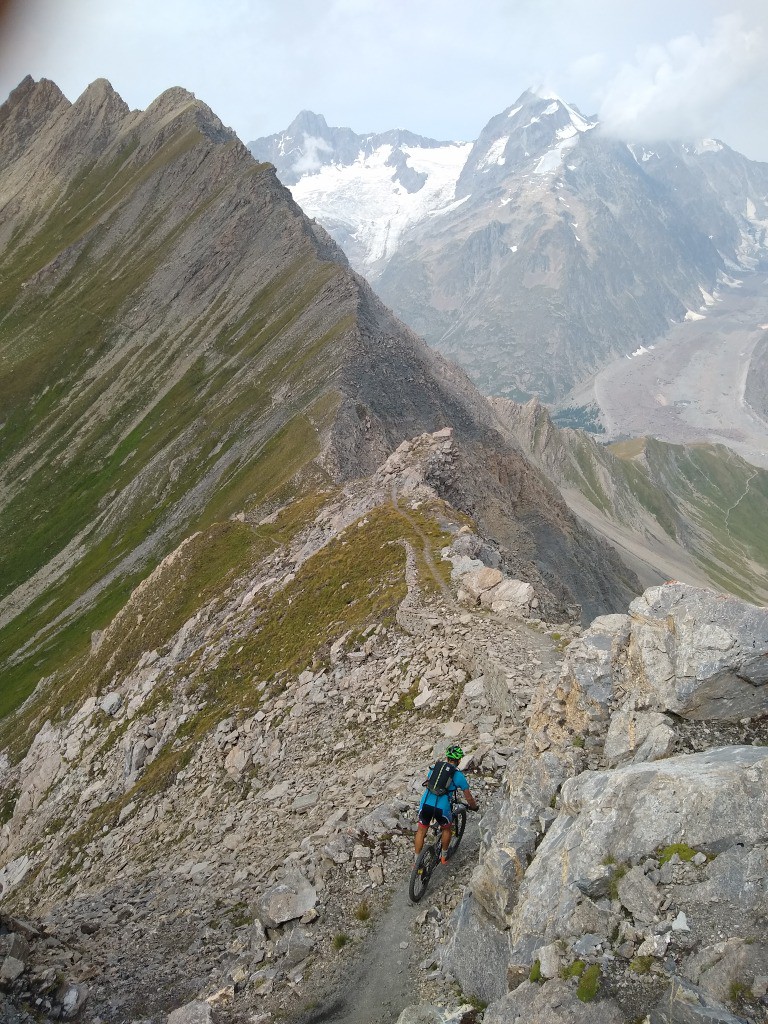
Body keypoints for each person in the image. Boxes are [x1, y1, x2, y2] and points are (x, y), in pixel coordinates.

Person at [414, 744, 479, 865]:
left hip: (425, 803)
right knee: (447, 829)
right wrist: (474, 807)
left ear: (447, 758)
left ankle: (416, 862)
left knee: (421, 831)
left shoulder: (434, 769)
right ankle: (444, 856)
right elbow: (468, 796)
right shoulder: (458, 776)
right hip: (441, 808)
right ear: (459, 760)